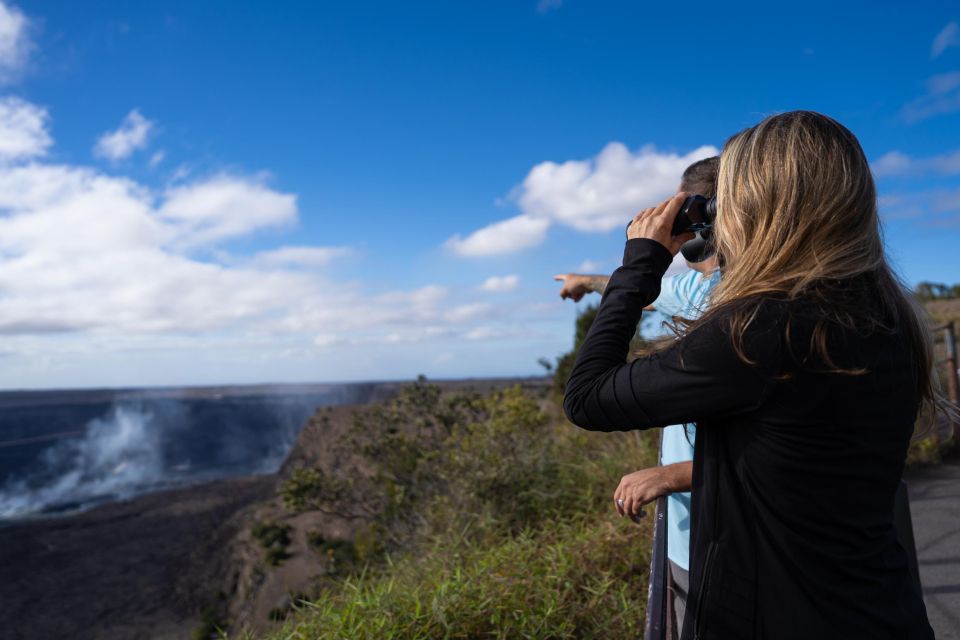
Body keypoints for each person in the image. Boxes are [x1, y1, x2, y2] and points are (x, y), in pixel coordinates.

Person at [563, 111, 940, 639]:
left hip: (785, 615)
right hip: (881, 607)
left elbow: (588, 398)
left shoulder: (760, 330)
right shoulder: (888, 314)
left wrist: (640, 265)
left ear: (753, 206)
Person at [554, 156, 719, 638]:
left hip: (716, 539)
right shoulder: (698, 288)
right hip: (692, 534)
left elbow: (586, 399)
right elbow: (647, 294)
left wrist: (674, 476)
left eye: (681, 206)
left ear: (701, 210)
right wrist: (587, 281)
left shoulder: (729, 304)